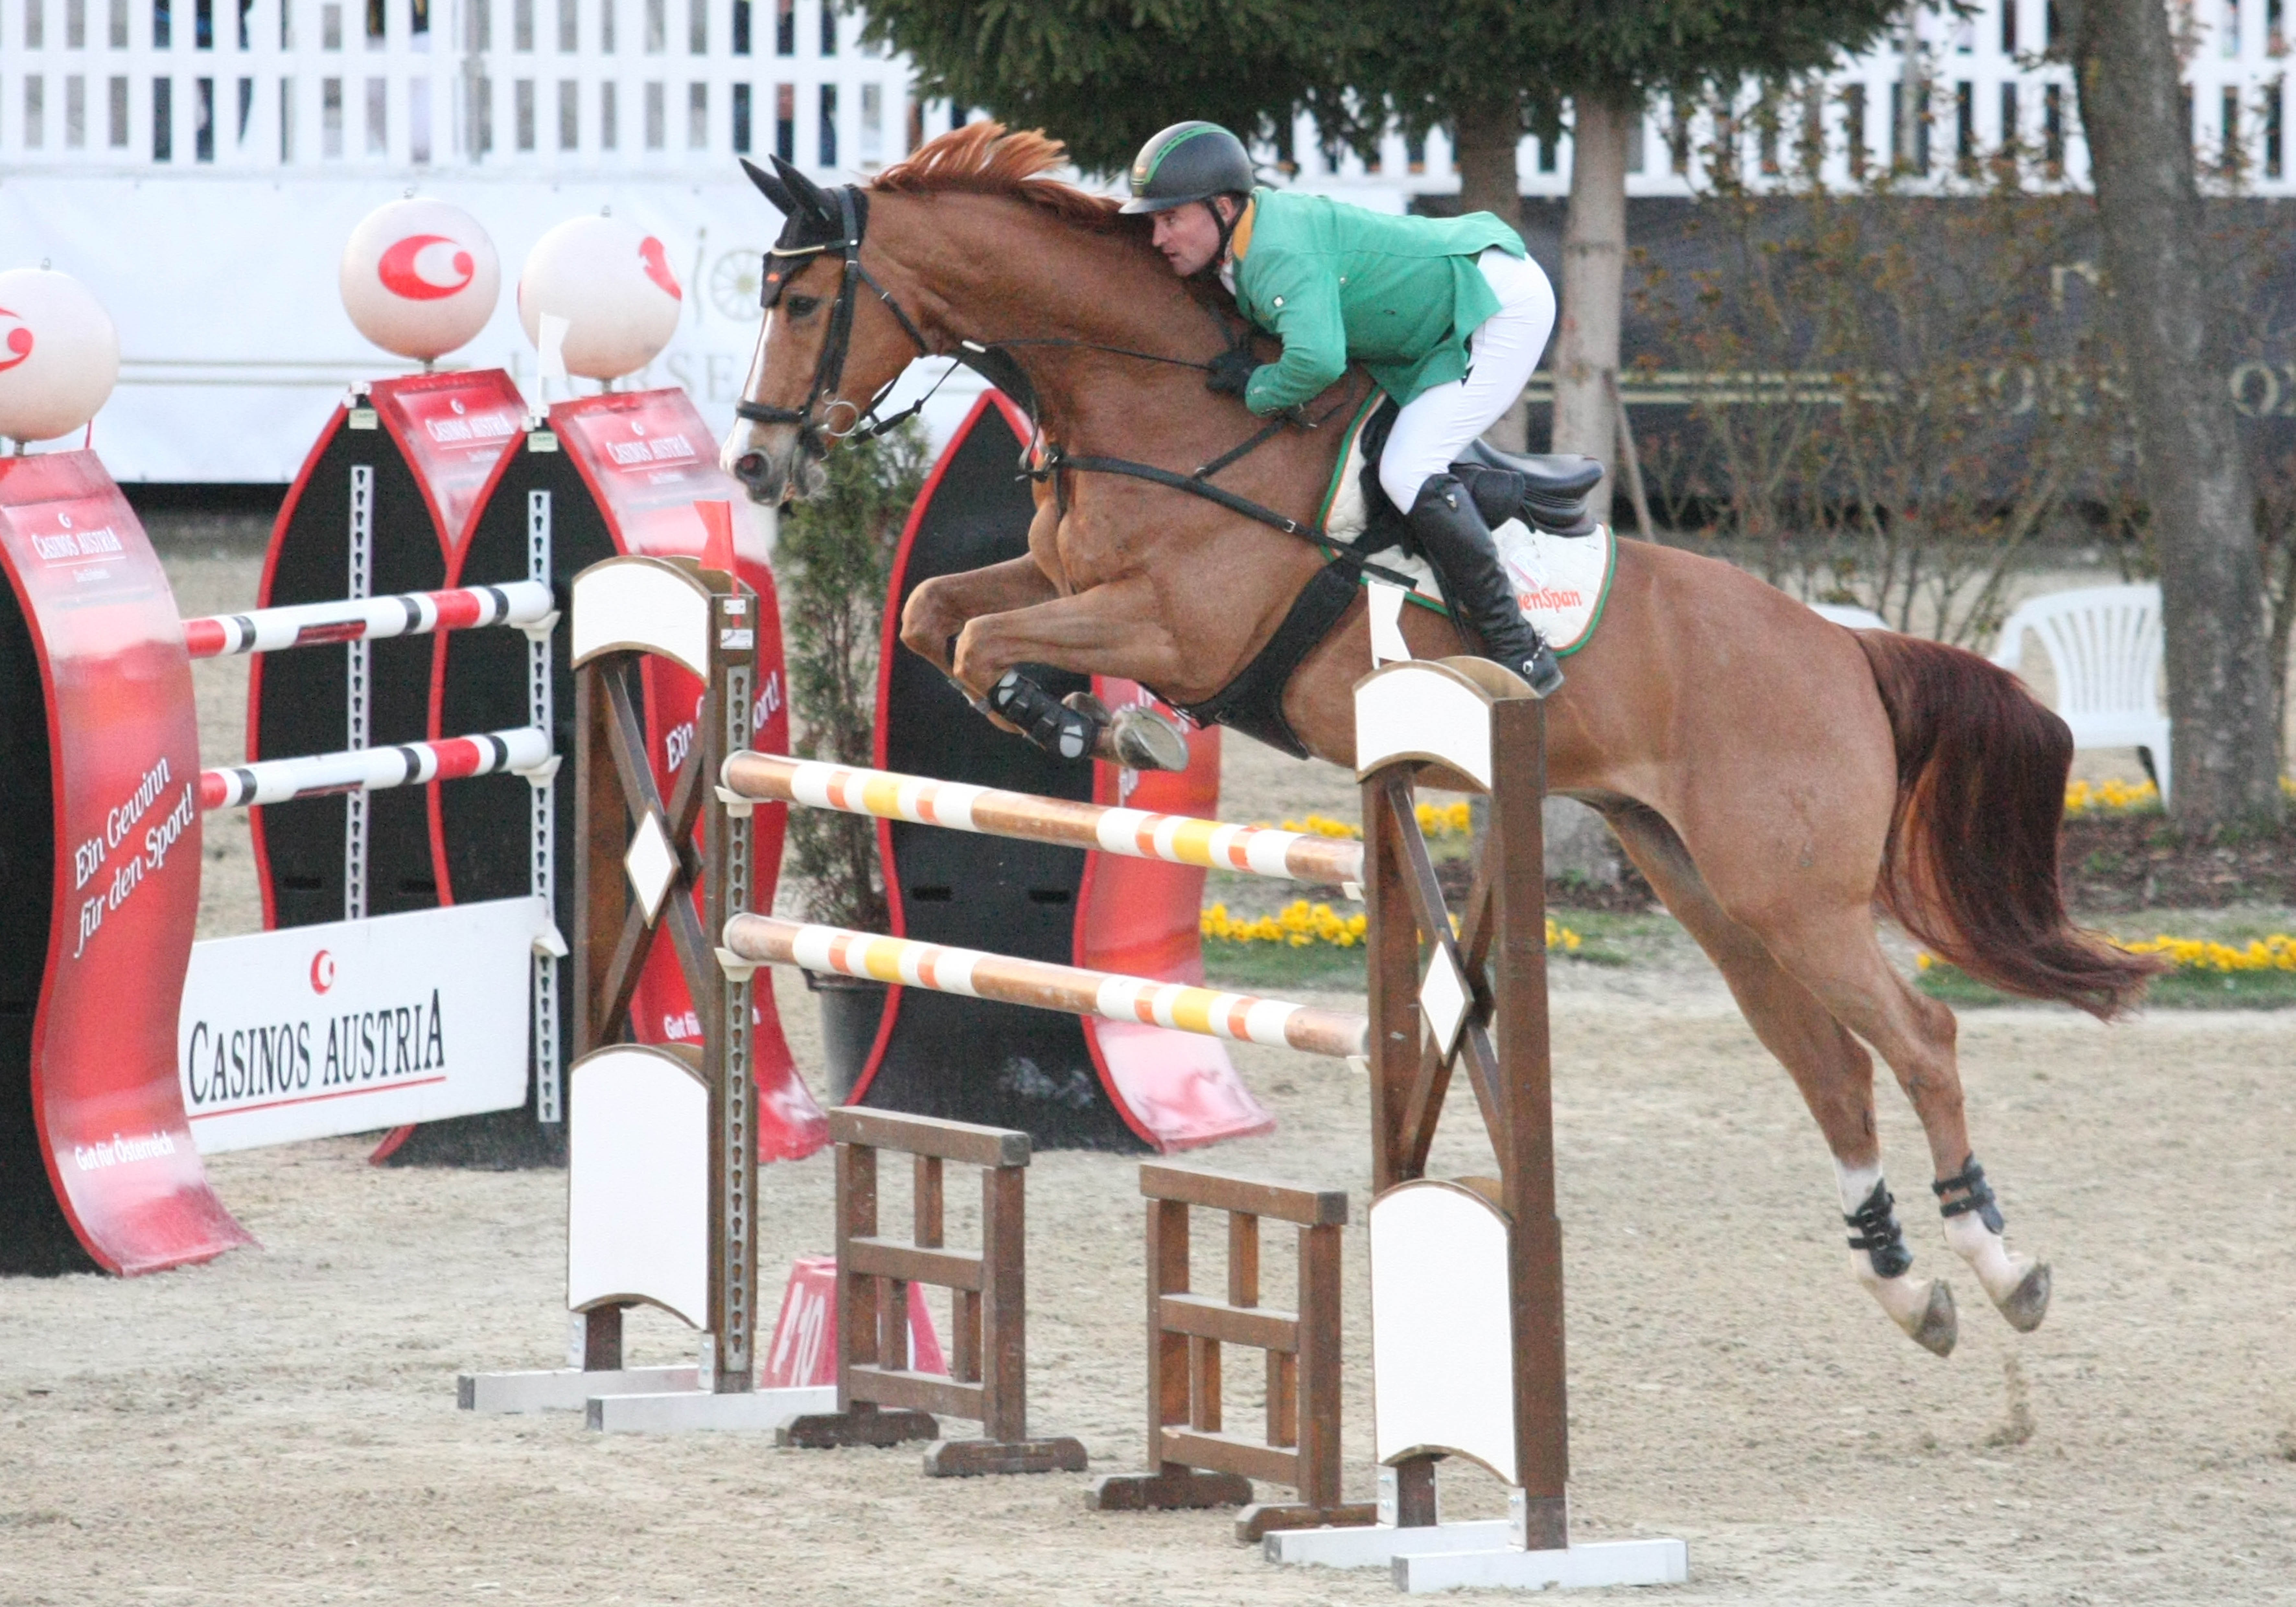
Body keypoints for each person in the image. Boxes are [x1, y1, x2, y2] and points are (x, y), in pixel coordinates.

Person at [1121, 120, 1566, 696]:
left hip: (1498, 308)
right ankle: (1475, 503)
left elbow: (1317, 363)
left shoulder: (1277, 252)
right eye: (1154, 221)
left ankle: (1519, 646)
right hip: (1448, 304)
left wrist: (1256, 386)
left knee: (1406, 468)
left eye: (1169, 219)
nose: (1158, 238)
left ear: (1224, 207)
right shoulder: (1244, 240)